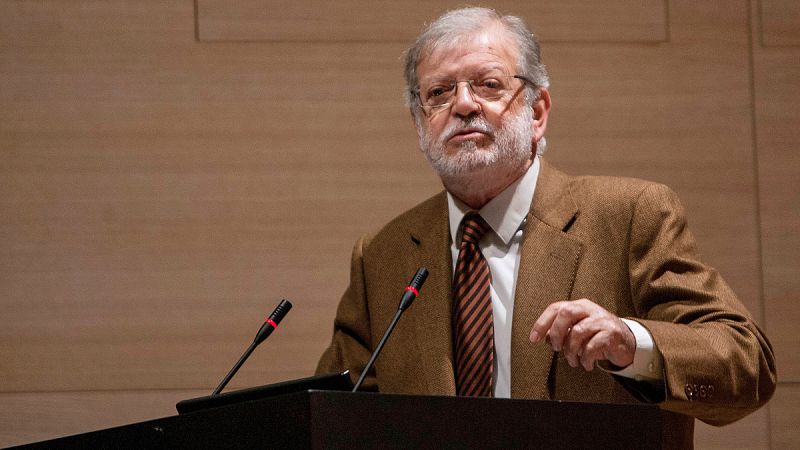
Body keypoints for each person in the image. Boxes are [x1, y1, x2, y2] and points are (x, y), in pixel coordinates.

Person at [316, 7, 776, 448]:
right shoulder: (384, 255)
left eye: (488, 85)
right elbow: (332, 415)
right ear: (420, 125)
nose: (463, 104)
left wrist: (633, 342)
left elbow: (747, 363)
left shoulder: (631, 215)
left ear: (536, 112)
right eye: (438, 93)